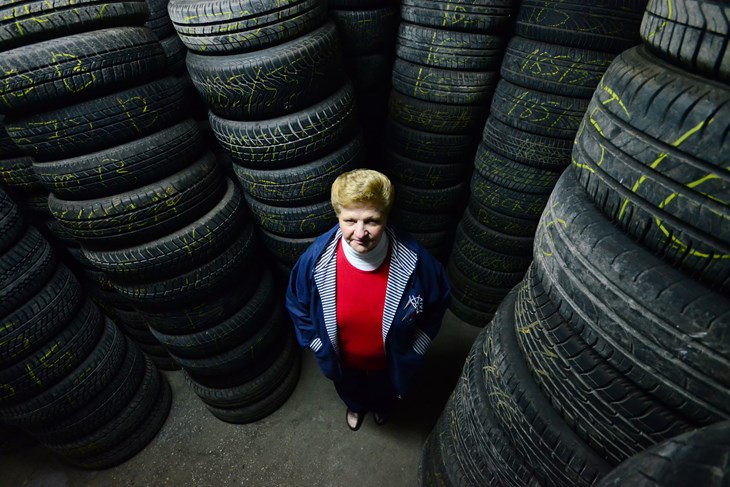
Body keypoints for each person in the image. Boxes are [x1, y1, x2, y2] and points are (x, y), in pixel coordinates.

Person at [285, 168, 451, 431]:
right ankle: (356, 405)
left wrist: (417, 345)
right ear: (338, 216)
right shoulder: (315, 262)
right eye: (350, 220)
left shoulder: (417, 262)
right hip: (343, 360)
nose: (360, 233)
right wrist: (318, 344)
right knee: (350, 388)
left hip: (391, 360)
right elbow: (296, 303)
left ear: (386, 217)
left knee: (385, 390)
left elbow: (439, 299)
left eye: (371, 221)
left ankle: (382, 406)